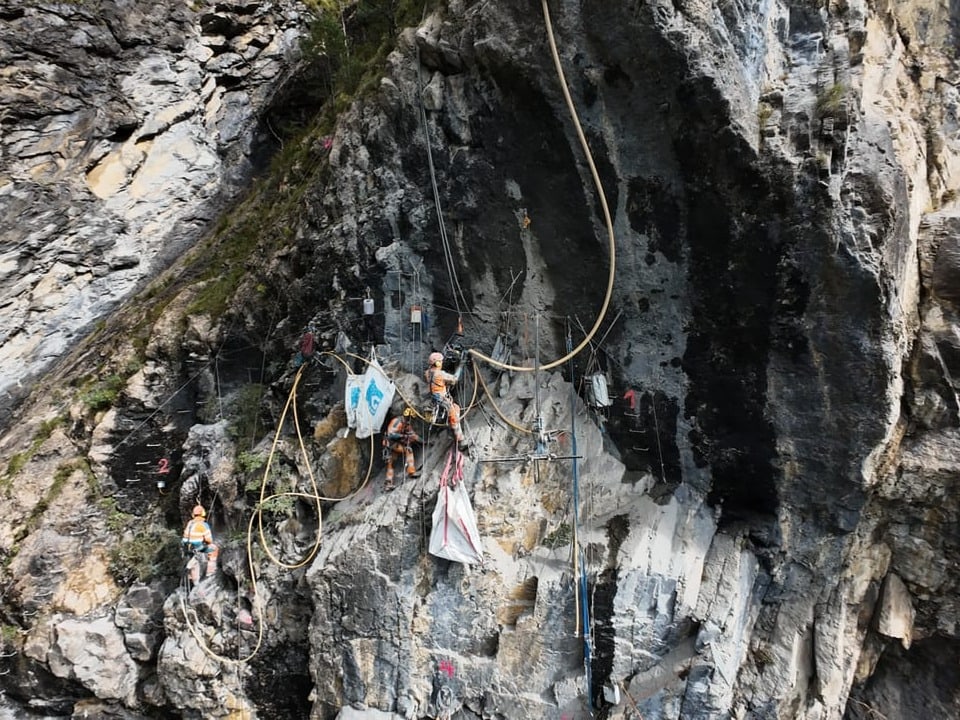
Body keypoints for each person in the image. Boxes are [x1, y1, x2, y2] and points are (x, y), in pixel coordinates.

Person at [425, 351, 464, 443]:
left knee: (457, 408)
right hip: (441, 399)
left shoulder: (427, 372)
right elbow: (454, 379)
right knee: (454, 416)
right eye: (441, 361)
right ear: (437, 363)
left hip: (434, 398)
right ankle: (459, 437)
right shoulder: (439, 374)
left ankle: (451, 430)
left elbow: (437, 382)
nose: (442, 363)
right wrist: (461, 366)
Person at [383, 408, 420, 490]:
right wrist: (403, 436)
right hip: (390, 443)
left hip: (393, 444)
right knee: (408, 450)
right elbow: (391, 434)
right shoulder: (397, 422)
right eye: (410, 418)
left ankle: (388, 483)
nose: (410, 420)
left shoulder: (406, 424)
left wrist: (423, 441)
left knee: (392, 463)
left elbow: (413, 435)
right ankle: (411, 471)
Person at [181, 504, 218, 584]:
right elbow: (209, 540)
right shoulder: (204, 525)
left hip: (186, 547)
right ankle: (210, 572)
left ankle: (193, 579)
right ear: (203, 514)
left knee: (195, 562)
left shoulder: (190, 523)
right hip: (196, 547)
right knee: (214, 549)